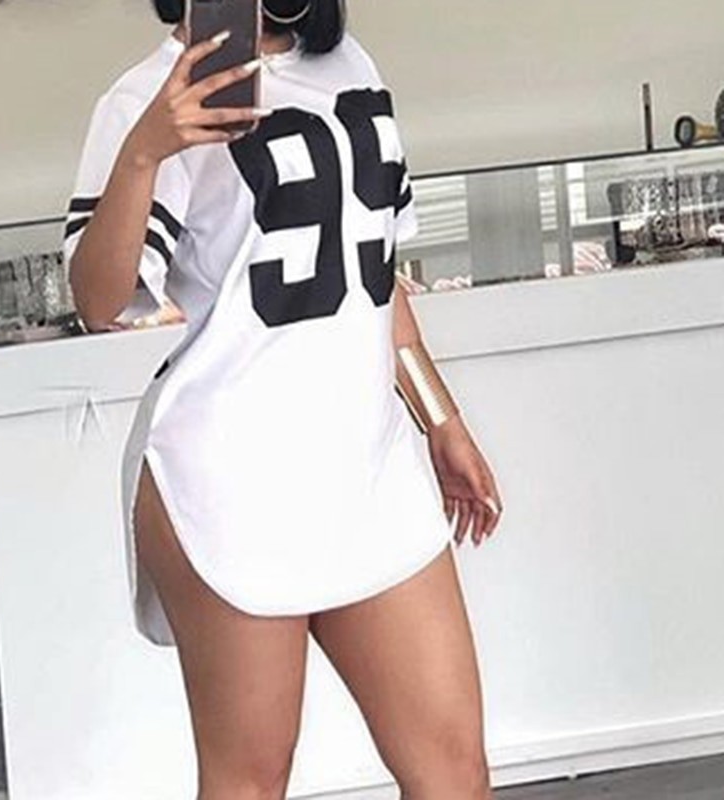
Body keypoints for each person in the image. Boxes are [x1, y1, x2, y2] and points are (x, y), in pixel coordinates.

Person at [63, 1, 504, 797]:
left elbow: (375, 275)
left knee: (455, 773)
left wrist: (441, 419)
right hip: (232, 478)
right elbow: (99, 300)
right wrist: (143, 153)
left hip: (368, 464)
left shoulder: (349, 66)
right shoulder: (143, 98)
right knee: (250, 783)